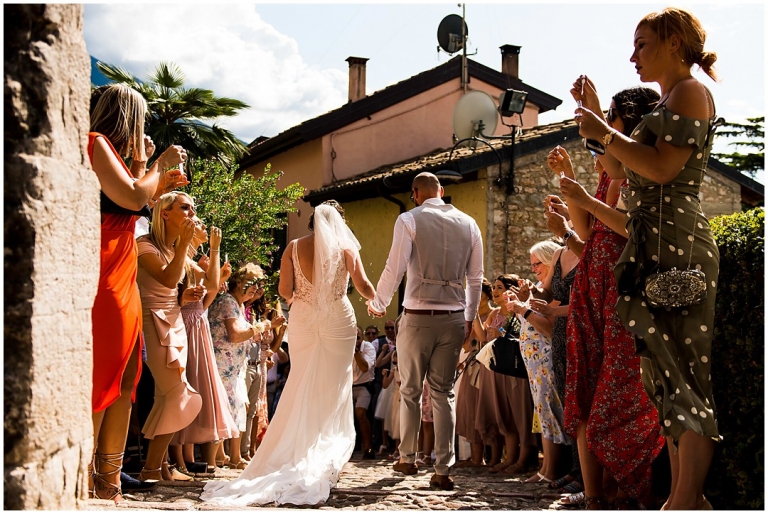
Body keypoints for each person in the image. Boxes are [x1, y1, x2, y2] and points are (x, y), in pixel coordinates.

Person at [576, 8, 722, 510]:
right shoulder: (668, 99)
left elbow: (661, 169)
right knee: (664, 384)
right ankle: (686, 501)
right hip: (655, 246)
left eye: (641, 44)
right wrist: (596, 119)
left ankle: (683, 502)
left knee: (684, 380)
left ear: (673, 42)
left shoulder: (689, 92)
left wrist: (604, 131)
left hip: (678, 246)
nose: (632, 56)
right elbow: (621, 168)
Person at [201, 200, 376, 506]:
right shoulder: (346, 248)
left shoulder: (293, 247)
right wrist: (377, 301)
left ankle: (296, 449)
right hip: (337, 318)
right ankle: (325, 452)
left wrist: (303, 295)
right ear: (339, 223)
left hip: (304, 319)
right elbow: (362, 285)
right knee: (334, 385)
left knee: (301, 382)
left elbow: (284, 291)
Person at [554, 83, 668, 508]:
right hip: (593, 287)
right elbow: (587, 232)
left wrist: (582, 197)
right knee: (585, 389)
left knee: (617, 393)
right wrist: (573, 187)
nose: (604, 127)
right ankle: (595, 494)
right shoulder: (610, 174)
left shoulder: (641, 174)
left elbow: (628, 228)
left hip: (620, 288)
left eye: (612, 118)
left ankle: (628, 489)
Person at [87, 84, 187, 501]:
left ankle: (107, 481)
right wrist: (158, 165)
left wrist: (146, 166)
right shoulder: (94, 142)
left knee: (127, 379)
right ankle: (82, 476)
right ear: (127, 115)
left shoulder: (112, 153)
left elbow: (137, 195)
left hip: (124, 269)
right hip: (105, 268)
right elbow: (130, 196)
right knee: (103, 376)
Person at [367, 172, 483, 491]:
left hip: (418, 316)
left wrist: (379, 302)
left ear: (416, 193)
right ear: (441, 192)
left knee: (411, 390)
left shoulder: (409, 219)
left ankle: (408, 457)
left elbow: (395, 267)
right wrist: (469, 316)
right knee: (444, 394)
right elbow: (475, 278)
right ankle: (443, 469)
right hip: (454, 316)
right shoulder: (470, 224)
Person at [135, 192, 203, 482]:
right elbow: (167, 279)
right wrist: (185, 244)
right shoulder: (144, 245)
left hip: (174, 319)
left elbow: (174, 288)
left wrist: (184, 297)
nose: (191, 213)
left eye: (193, 208)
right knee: (178, 396)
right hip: (153, 323)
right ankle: (151, 467)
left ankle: (160, 466)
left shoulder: (174, 248)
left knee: (164, 398)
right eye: (185, 207)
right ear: (164, 213)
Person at [171, 217, 237, 474]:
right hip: (185, 326)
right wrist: (215, 249)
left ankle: (187, 457)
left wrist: (218, 279)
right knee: (184, 386)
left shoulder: (194, 261)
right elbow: (199, 290)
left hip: (197, 323)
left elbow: (204, 300)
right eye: (197, 222)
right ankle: (176, 458)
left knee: (196, 386)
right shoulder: (184, 258)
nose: (201, 224)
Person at [505, 242, 570, 484]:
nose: (533, 269)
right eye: (531, 265)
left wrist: (523, 309)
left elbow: (549, 329)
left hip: (547, 360)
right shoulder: (541, 290)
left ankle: (552, 470)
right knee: (543, 413)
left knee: (550, 411)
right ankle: (546, 469)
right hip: (535, 363)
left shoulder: (552, 293)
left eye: (537, 264)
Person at [208, 263, 276, 470]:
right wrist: (261, 326)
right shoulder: (227, 302)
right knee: (228, 408)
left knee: (237, 407)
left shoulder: (238, 304)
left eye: (258, 284)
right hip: (223, 364)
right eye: (251, 282)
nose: (255, 288)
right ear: (238, 282)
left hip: (235, 366)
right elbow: (235, 335)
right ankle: (222, 457)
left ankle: (226, 455)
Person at [473, 275, 535, 476]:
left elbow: (522, 334)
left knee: (520, 414)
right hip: (496, 369)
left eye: (500, 287)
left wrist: (500, 332)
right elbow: (483, 337)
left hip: (514, 369)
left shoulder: (517, 310)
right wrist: (472, 313)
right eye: (494, 287)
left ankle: (523, 459)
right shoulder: (494, 313)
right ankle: (510, 459)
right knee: (505, 415)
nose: (495, 291)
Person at [454, 278, 494, 468]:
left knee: (485, 410)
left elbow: (483, 338)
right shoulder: (467, 316)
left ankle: (491, 457)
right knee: (469, 409)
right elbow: (464, 343)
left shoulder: (493, 314)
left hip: (487, 367)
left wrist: (474, 314)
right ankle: (475, 457)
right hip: (470, 365)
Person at [352, 327, 377, 459]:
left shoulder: (368, 347)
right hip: (348, 386)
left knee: (360, 413)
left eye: (357, 337)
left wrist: (355, 351)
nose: (355, 340)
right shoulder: (343, 346)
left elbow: (364, 367)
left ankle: (368, 447)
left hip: (364, 386)